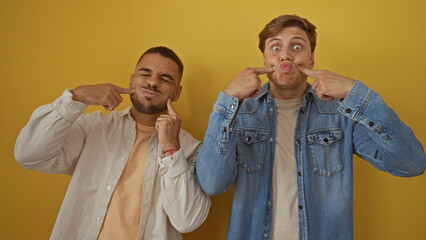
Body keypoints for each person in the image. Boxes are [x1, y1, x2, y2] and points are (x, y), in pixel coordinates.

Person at [195, 15, 426, 240]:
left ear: (311, 59)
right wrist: (227, 100)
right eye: (276, 48)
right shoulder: (240, 113)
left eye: (297, 47)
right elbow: (212, 184)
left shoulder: (340, 114)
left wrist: (357, 93)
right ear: (265, 61)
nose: (286, 55)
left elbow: (411, 164)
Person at [14, 46, 210, 240]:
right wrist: (76, 98)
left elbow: (187, 221)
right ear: (131, 80)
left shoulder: (191, 149)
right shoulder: (94, 126)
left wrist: (171, 149)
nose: (152, 82)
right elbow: (28, 155)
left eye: (165, 78)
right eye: (145, 73)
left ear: (177, 93)